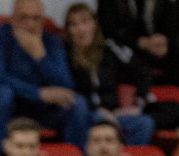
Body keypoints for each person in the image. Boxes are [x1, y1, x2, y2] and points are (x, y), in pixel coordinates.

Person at [0, 0, 91, 148]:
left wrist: (40, 55)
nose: (30, 24)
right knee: (4, 93)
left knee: (76, 102)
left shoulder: (51, 41)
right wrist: (38, 93)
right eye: (24, 18)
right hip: (0, 106)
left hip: (38, 111)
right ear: (13, 18)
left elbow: (65, 85)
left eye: (36, 19)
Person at [62, 2, 155, 147]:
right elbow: (66, 90)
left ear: (94, 24)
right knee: (83, 109)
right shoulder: (63, 55)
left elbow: (142, 72)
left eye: (85, 21)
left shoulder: (110, 49)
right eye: (74, 24)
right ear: (68, 30)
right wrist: (96, 109)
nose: (81, 29)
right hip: (85, 114)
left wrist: (139, 101)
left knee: (145, 123)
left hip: (114, 113)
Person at [97, 0, 179, 90]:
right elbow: (109, 31)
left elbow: (173, 26)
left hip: (159, 44)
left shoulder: (166, 3)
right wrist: (139, 42)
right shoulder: (110, 2)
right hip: (128, 46)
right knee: (128, 60)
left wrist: (165, 41)